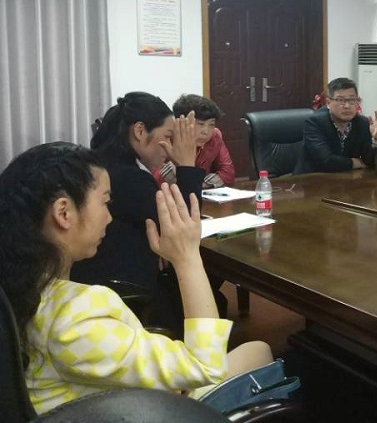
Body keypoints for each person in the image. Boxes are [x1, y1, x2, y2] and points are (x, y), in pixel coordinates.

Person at [0, 142, 271, 415]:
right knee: (259, 351)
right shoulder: (74, 317)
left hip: (106, 402)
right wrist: (187, 258)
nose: (109, 217)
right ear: (64, 213)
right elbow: (205, 366)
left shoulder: (23, 286)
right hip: (138, 411)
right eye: (105, 202)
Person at [70, 92, 204, 330]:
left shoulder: (101, 162)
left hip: (93, 279)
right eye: (168, 137)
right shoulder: (128, 177)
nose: (170, 148)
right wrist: (186, 165)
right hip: (122, 287)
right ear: (140, 131)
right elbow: (183, 223)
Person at [294, 77, 377, 174]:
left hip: (345, 178)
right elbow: (325, 161)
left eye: (352, 100)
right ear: (328, 103)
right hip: (311, 179)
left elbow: (371, 163)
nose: (347, 106)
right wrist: (355, 162)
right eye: (341, 100)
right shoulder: (315, 123)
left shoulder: (362, 123)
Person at [170, 94, 235, 188]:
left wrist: (200, 184)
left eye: (211, 124)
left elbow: (228, 174)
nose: (206, 132)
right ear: (181, 122)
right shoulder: (167, 138)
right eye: (200, 124)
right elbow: (159, 177)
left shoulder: (214, 136)